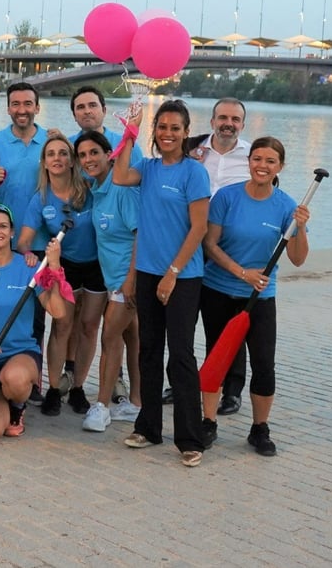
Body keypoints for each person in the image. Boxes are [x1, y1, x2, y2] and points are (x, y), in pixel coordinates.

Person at [112, 99, 210, 468]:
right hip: (149, 272)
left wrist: (173, 272)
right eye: (162, 127)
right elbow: (119, 176)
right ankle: (148, 427)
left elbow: (198, 227)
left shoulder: (193, 172)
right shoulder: (149, 168)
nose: (167, 134)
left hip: (182, 275)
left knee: (181, 356)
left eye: (175, 128)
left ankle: (189, 437)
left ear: (186, 132)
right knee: (148, 351)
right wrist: (129, 132)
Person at [199, 137, 309, 457]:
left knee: (264, 365)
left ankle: (259, 428)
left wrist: (299, 228)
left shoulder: (287, 206)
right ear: (249, 162)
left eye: (270, 161)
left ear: (280, 167)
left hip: (260, 297)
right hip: (219, 290)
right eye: (257, 159)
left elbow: (299, 259)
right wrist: (241, 272)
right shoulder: (226, 197)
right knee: (216, 358)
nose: (262, 165)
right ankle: (208, 422)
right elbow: (211, 245)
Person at [0, 205, 69, 440]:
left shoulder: (29, 268)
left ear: (12, 232)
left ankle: (17, 407)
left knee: (15, 380)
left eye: (2, 226)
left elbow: (57, 311)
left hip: (20, 354)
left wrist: (55, 266)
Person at [17, 132, 105, 417]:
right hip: (65, 265)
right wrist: (28, 252)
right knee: (63, 325)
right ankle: (54, 387)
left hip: (97, 266)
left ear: (72, 161)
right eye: (51, 154)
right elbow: (23, 240)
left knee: (89, 326)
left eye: (63, 153)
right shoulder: (40, 198)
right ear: (44, 162)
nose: (57, 158)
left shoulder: (91, 188)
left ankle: (78, 387)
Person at [0, 83, 47, 401]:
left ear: (37, 107)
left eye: (28, 103)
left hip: (38, 244)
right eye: (15, 103)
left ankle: (33, 380)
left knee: (36, 316)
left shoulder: (50, 141)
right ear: (7, 108)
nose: (22, 109)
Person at [185, 97, 253, 415]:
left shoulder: (252, 157)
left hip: (229, 250)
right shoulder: (194, 151)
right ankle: (185, 381)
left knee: (229, 323)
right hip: (191, 243)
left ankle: (231, 390)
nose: (228, 123)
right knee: (185, 319)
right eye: (222, 117)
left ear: (242, 124)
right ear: (212, 121)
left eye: (235, 119)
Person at [74, 131, 142, 432]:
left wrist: (130, 280)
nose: (89, 159)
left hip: (129, 279)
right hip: (113, 276)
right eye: (83, 155)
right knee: (132, 339)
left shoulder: (121, 188)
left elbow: (142, 234)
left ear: (108, 154)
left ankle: (101, 407)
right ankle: (138, 404)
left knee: (109, 338)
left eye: (94, 153)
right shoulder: (96, 187)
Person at [69, 85, 143, 167]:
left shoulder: (129, 147)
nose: (87, 111)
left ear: (104, 111)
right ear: (74, 116)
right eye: (81, 107)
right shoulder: (67, 147)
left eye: (93, 105)